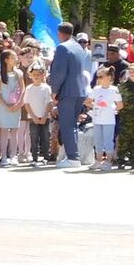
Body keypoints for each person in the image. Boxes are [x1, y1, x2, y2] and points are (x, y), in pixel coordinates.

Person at [48, 22, 89, 169]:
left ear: (59, 33)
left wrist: (54, 91)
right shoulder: (78, 47)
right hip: (80, 91)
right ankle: (74, 155)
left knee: (67, 125)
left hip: (67, 91)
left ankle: (73, 157)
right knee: (72, 125)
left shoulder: (62, 48)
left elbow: (59, 73)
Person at [86, 66, 121, 171]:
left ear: (109, 77)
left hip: (109, 120)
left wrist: (112, 108)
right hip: (97, 119)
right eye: (98, 77)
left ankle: (108, 161)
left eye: (101, 76)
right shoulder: (96, 89)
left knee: (108, 141)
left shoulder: (114, 90)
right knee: (98, 140)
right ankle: (98, 160)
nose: (99, 79)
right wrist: (97, 105)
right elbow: (88, 102)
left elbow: (120, 105)